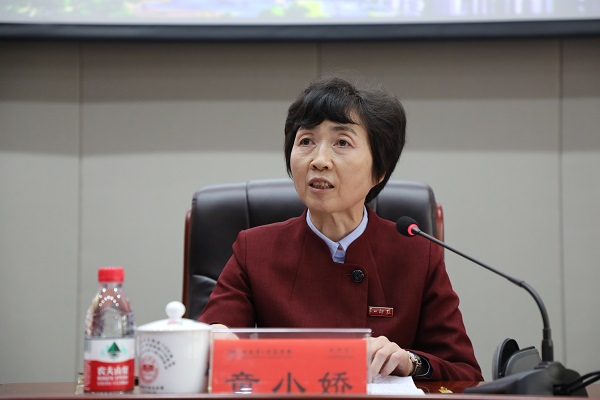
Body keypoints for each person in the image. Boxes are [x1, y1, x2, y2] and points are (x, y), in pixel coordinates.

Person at [199, 76, 483, 381]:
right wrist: (214, 339)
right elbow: (213, 336)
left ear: (379, 170)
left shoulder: (417, 254)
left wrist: (411, 361)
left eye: (342, 142)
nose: (319, 161)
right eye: (306, 141)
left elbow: (464, 374)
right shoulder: (255, 249)